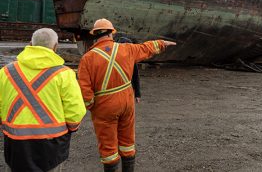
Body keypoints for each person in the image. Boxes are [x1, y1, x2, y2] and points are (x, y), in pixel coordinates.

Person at [78, 18, 176, 172]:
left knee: (109, 148)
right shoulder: (127, 49)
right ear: (111, 33)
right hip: (126, 102)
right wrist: (163, 43)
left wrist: (91, 105)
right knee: (127, 141)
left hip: (105, 106)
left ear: (95, 35)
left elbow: (85, 88)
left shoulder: (87, 59)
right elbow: (146, 48)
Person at [0, 28, 86, 172]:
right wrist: (71, 127)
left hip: (16, 145)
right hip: (51, 146)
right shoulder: (64, 74)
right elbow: (75, 110)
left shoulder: (6, 72)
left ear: (30, 44)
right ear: (55, 47)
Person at [116, 37, 141, 103]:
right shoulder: (113, 59)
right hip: (115, 92)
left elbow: (136, 76)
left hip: (128, 91)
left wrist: (137, 94)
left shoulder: (132, 59)